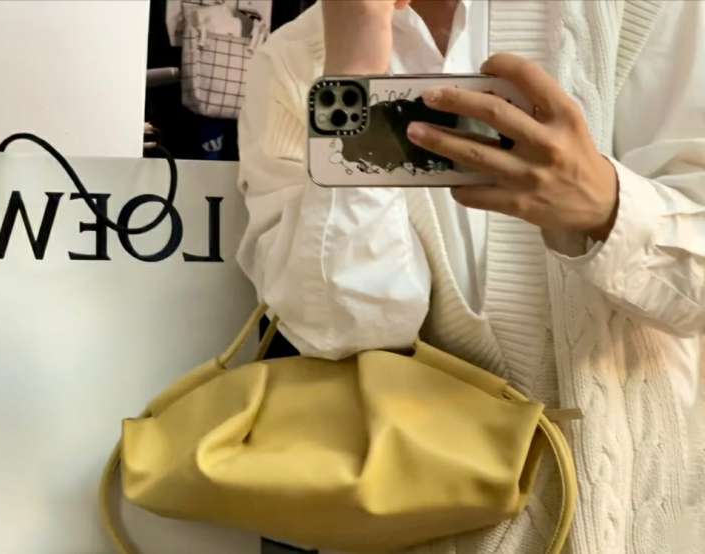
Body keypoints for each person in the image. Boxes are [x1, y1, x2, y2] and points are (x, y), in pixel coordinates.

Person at [236, 1, 705, 552]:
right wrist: (355, 69)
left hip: (634, 521)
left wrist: (605, 206)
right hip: (418, 531)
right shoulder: (294, 61)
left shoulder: (639, 9)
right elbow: (341, 330)